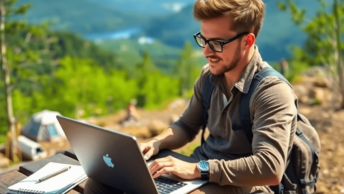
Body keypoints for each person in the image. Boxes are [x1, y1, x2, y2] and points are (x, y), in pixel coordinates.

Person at [85, 0, 298, 193]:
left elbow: (270, 167)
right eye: (203, 40)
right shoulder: (209, 77)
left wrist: (199, 169)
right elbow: (186, 126)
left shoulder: (271, 91)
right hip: (197, 172)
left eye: (217, 43)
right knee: (103, 181)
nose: (206, 51)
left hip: (243, 184)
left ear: (247, 41)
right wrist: (157, 142)